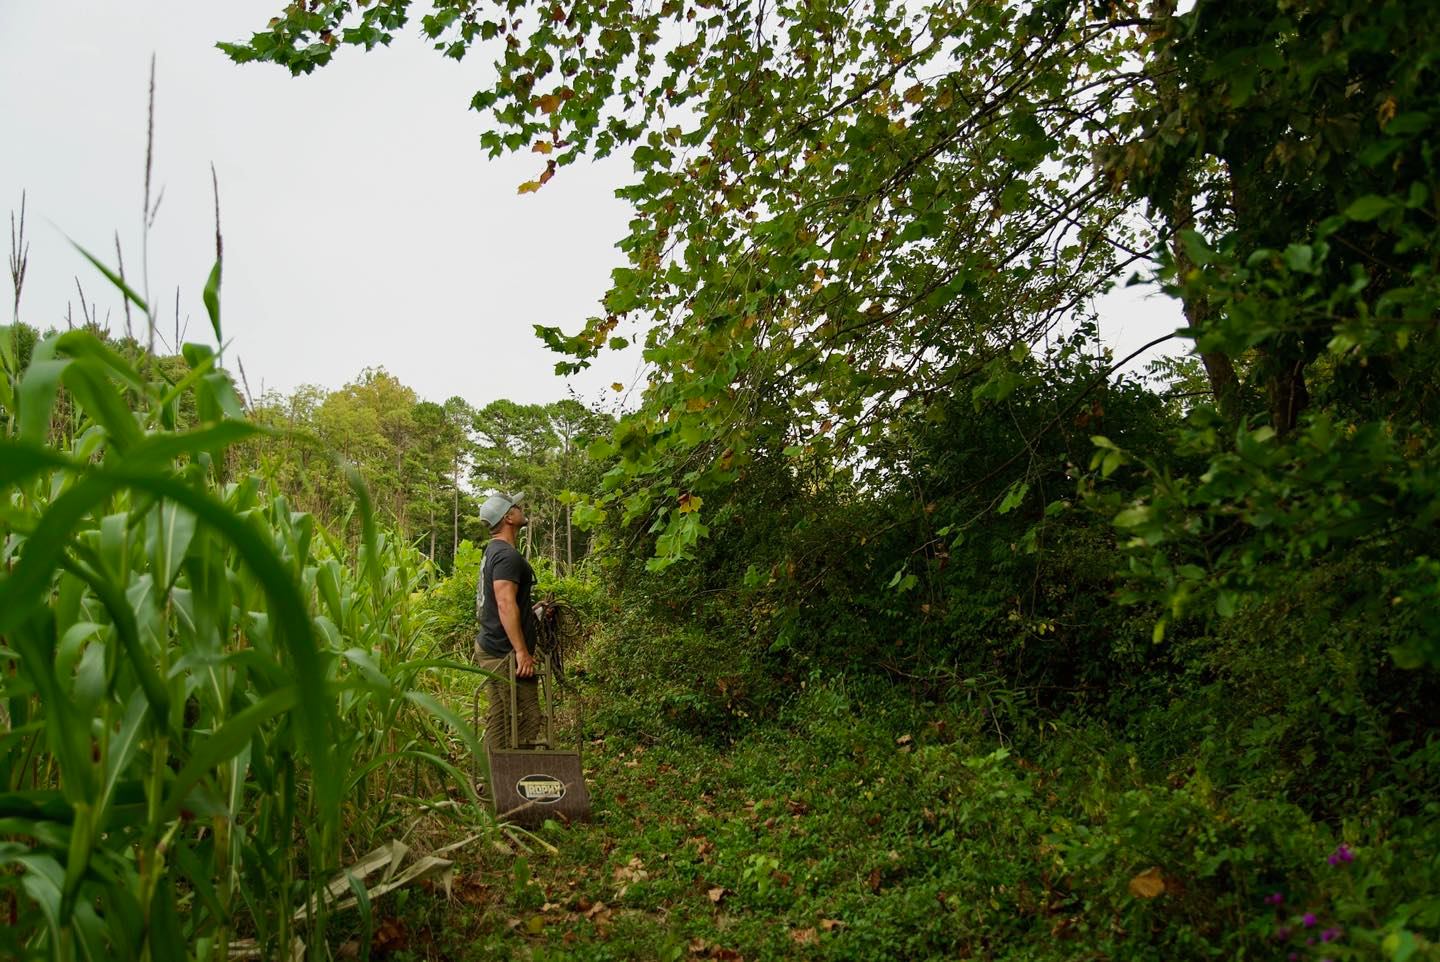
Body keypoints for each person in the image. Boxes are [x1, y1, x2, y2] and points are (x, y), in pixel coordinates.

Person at [474, 491, 544, 752]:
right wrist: (522, 652)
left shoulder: (494, 552)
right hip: (504, 651)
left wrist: (531, 610)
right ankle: (511, 780)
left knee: (501, 715)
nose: (520, 507)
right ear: (508, 518)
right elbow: (504, 604)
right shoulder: (507, 556)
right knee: (526, 717)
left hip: (494, 645)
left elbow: (502, 600)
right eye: (515, 506)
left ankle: (492, 779)